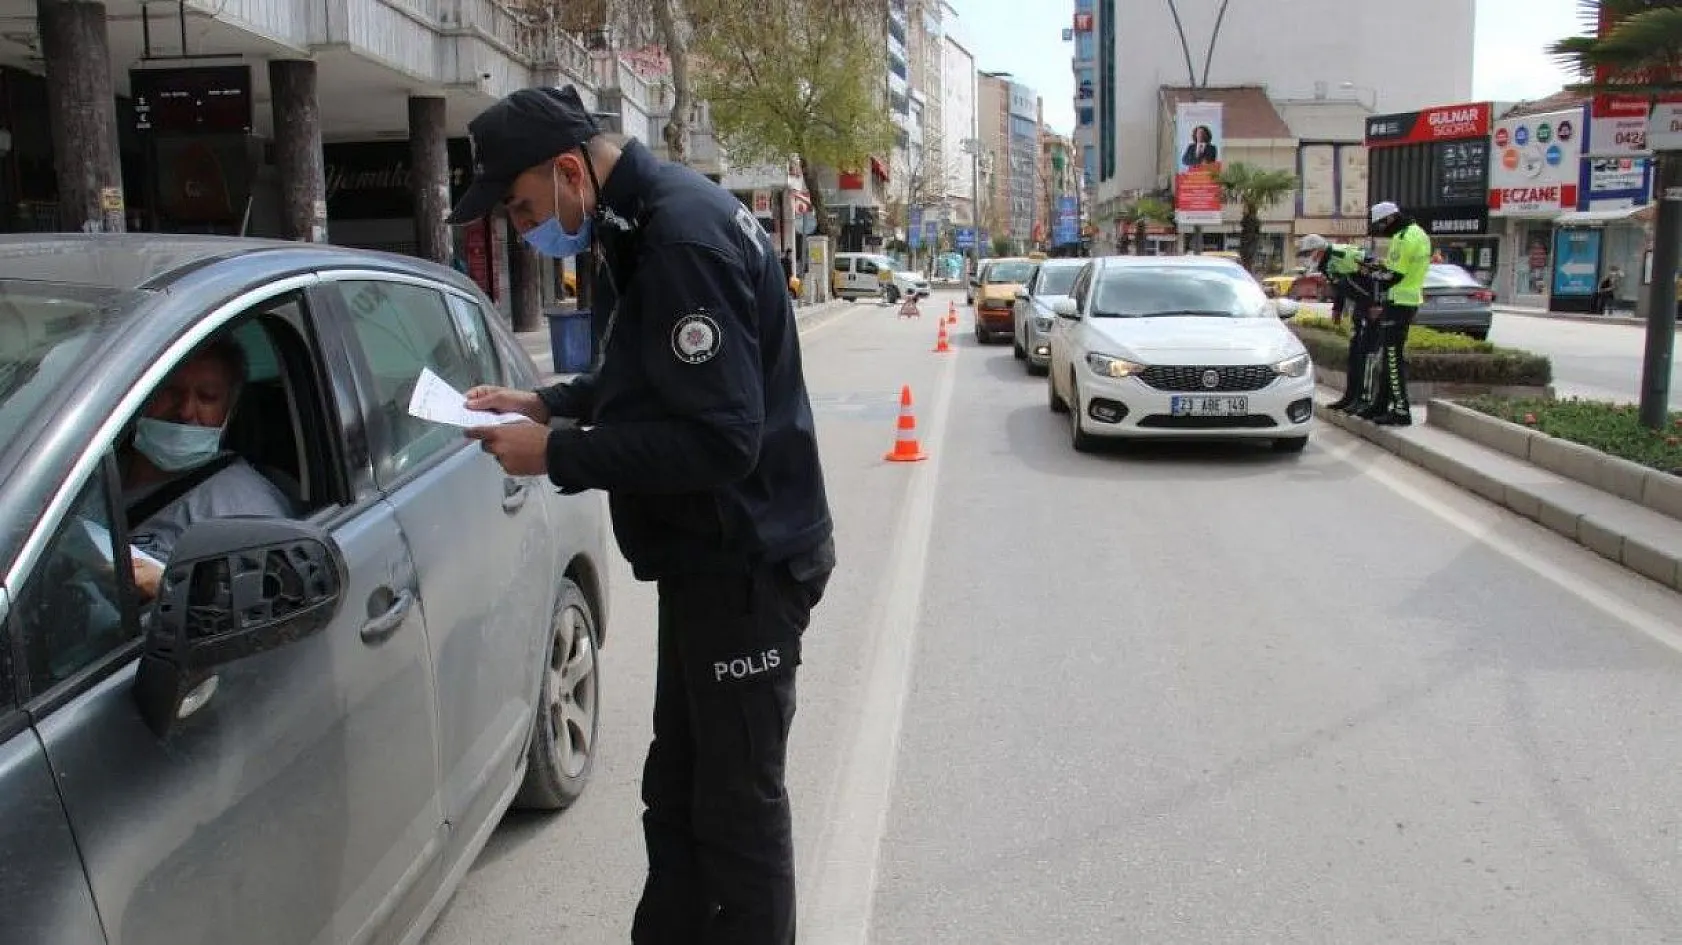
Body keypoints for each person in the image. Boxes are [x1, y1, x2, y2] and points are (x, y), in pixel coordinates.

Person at [445, 85, 834, 945]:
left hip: (748, 565)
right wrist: (546, 404)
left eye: (520, 205)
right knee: (681, 790)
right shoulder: (638, 224)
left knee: (736, 810)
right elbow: (648, 380)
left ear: (568, 171)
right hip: (707, 563)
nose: (519, 227)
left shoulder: (679, 237)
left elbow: (722, 439)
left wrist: (558, 455)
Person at [120, 334, 294, 598]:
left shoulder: (244, 508)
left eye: (207, 397)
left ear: (229, 411)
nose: (186, 410)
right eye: (170, 391)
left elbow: (261, 605)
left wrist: (165, 588)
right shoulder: (91, 468)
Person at [1358, 201, 1432, 426]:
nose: (1381, 231)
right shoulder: (1418, 233)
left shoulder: (1403, 238)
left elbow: (1394, 276)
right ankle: (1381, 405)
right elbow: (1399, 269)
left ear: (1390, 219)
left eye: (1380, 225)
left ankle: (1401, 410)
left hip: (1398, 303)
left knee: (1391, 359)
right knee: (1389, 358)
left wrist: (1369, 274)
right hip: (1407, 301)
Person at [1296, 234, 1377, 412]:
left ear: (1319, 250)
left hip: (1371, 307)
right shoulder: (1326, 263)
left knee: (1365, 354)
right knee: (1354, 354)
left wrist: (1375, 304)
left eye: (1308, 253)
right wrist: (1337, 309)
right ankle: (1349, 397)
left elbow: (1375, 275)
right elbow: (1341, 285)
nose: (1307, 258)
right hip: (1360, 305)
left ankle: (1363, 399)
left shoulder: (1342, 255)